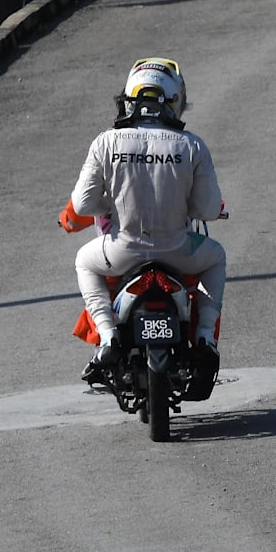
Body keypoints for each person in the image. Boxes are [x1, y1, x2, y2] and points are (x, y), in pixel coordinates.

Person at [58, 57, 227, 380]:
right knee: (216, 256)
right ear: (175, 101)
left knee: (84, 260)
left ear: (129, 98)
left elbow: (82, 204)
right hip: (179, 252)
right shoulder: (191, 146)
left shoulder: (106, 142)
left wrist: (110, 203)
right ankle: (205, 335)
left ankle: (107, 335)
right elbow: (207, 211)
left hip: (121, 253)